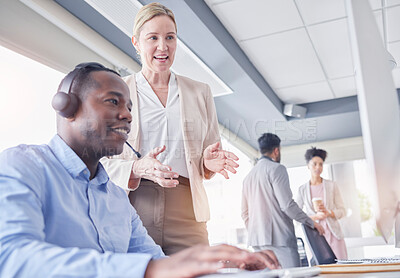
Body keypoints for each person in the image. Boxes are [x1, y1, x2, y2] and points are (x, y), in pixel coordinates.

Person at [0, 63, 280, 278]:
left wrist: (221, 265)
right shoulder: (23, 166)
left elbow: (159, 263)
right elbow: (12, 258)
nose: (127, 115)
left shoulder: (116, 198)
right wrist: (148, 270)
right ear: (67, 106)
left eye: (129, 107)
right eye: (113, 101)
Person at [100, 2, 239, 255]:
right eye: (152, 37)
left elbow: (208, 156)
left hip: (188, 208)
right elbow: (99, 163)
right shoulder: (117, 90)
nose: (162, 46)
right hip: (133, 205)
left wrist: (209, 163)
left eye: (170, 37)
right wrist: (136, 166)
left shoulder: (200, 92)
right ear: (136, 42)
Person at [241, 133, 324, 268]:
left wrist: (257, 231)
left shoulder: (248, 177)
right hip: (280, 241)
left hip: (257, 242)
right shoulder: (277, 169)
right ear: (276, 150)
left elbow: (245, 213)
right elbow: (287, 205)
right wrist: (311, 222)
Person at [296, 147, 348, 259]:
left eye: (321, 164)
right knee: (321, 270)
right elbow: (297, 216)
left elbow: (343, 211)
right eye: (314, 164)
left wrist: (328, 212)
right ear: (308, 166)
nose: (318, 167)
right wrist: (315, 217)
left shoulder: (332, 185)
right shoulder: (302, 190)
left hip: (334, 235)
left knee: (341, 269)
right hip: (315, 236)